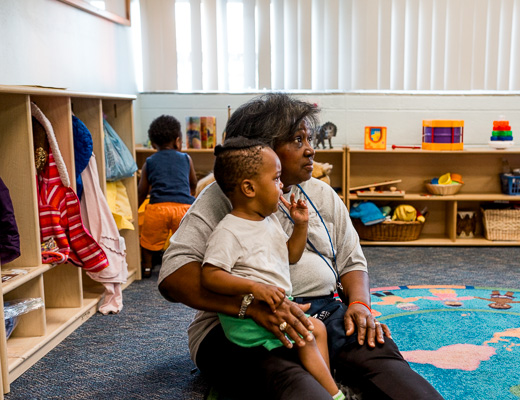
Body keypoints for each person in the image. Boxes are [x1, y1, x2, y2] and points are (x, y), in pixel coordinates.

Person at [158, 93, 444, 399]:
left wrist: (360, 305)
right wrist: (250, 307)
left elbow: (351, 263)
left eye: (310, 138)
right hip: (241, 324)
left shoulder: (321, 194)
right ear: (260, 149)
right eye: (297, 140)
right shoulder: (223, 197)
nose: (310, 150)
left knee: (383, 362)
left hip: (323, 312)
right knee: (292, 381)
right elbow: (174, 278)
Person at [201, 138, 344, 399]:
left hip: (277, 304)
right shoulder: (229, 231)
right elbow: (210, 276)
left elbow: (290, 255)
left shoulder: (268, 221)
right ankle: (335, 395)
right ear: (249, 188)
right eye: (276, 179)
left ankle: (325, 384)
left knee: (317, 330)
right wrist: (255, 287)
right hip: (248, 318)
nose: (282, 186)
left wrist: (301, 225)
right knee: (309, 335)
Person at [138, 115, 197, 278]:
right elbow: (193, 182)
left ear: (152, 143)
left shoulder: (149, 162)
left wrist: (135, 208)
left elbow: (142, 190)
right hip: (183, 209)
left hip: (158, 208)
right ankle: (187, 267)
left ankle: (148, 267)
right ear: (178, 141)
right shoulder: (186, 158)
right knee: (186, 242)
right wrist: (188, 196)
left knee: (148, 240)